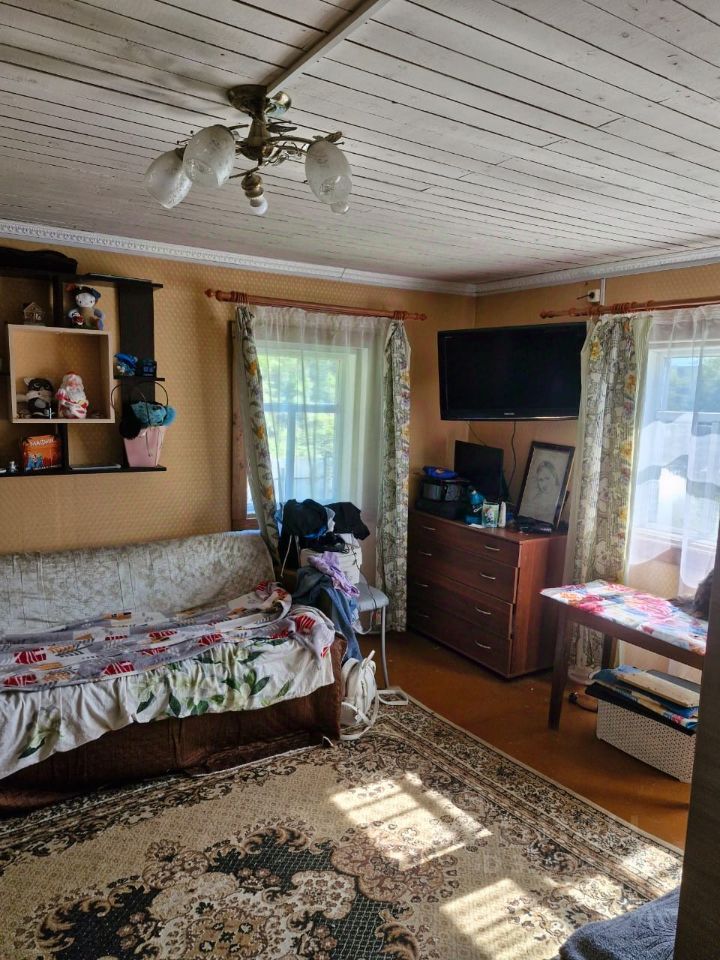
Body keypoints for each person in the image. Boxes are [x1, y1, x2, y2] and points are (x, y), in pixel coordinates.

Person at [520, 459, 561, 523]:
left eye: (547, 478)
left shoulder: (560, 497)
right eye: (541, 480)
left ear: (554, 476)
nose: (544, 484)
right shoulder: (536, 499)